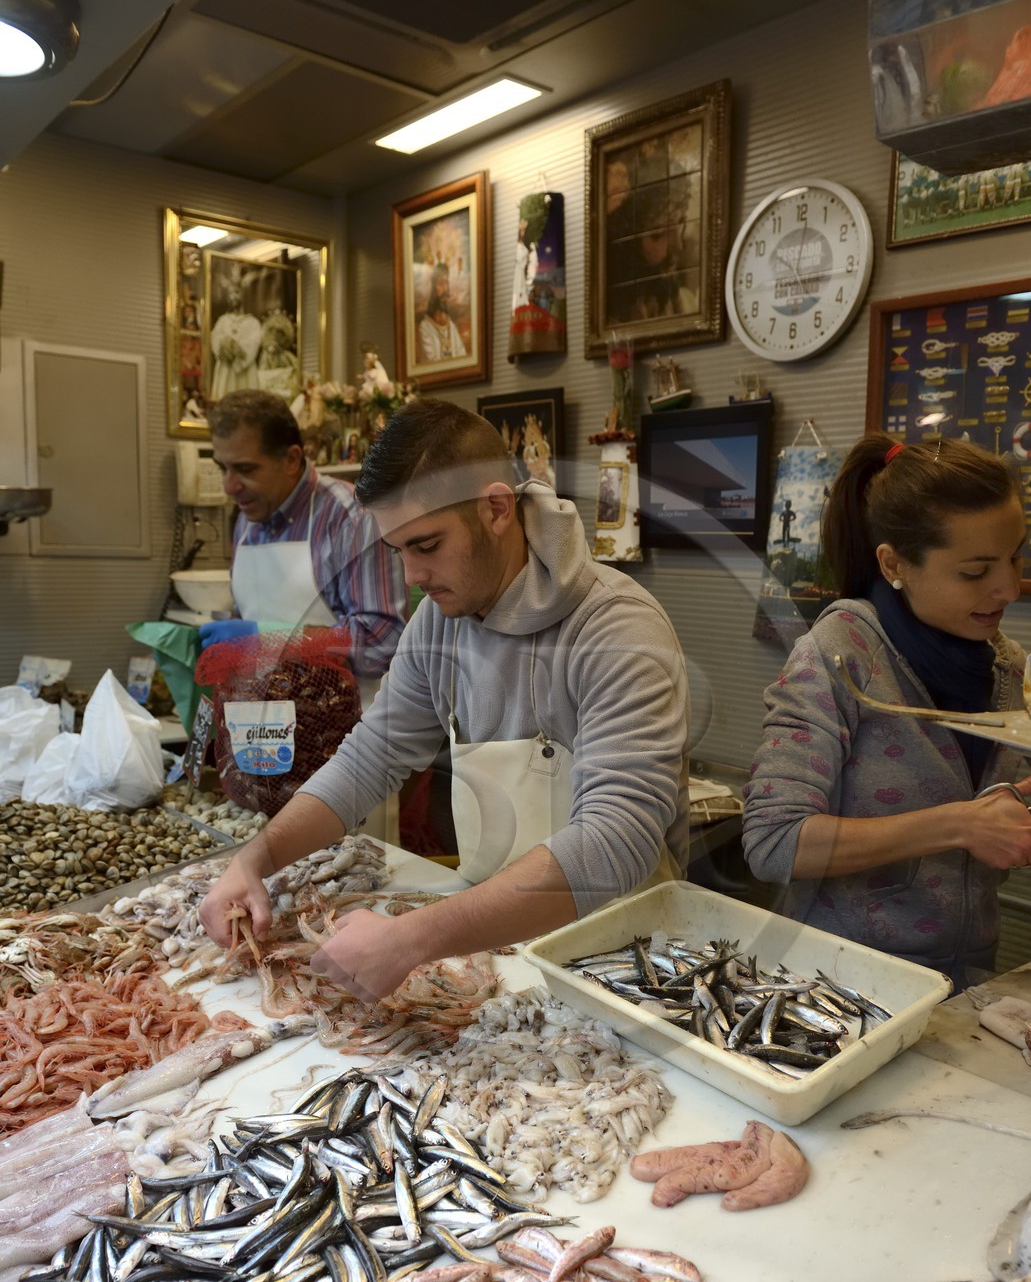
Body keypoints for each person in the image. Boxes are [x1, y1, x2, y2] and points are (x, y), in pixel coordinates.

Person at [200, 397, 690, 1004]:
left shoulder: (617, 629)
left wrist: (413, 938)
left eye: (427, 545)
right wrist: (257, 859)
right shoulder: (439, 623)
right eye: (397, 550)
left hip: (626, 958)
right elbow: (370, 758)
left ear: (496, 509)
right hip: (489, 940)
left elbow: (616, 840)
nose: (410, 577)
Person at [742, 433, 1031, 990]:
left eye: (1016, 557)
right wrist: (960, 825)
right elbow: (774, 843)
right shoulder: (838, 658)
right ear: (894, 563)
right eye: (975, 571)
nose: (1009, 587)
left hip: (967, 975)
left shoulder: (1007, 667)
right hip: (838, 980)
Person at [199, 389, 406, 700]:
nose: (230, 486)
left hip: (343, 732)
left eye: (245, 469)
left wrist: (264, 638)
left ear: (292, 460)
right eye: (222, 468)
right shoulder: (246, 520)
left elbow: (383, 642)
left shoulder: (350, 517)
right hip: (263, 729)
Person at [417, 265, 467, 362]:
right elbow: (432, 363)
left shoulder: (450, 325)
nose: (445, 289)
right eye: (440, 284)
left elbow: (462, 355)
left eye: (446, 283)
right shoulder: (425, 328)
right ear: (432, 288)